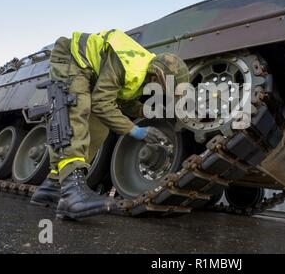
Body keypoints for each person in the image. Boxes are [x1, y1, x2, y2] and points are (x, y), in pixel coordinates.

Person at [30, 29, 189, 220]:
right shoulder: (131, 66)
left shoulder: (140, 76)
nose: (160, 90)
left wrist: (146, 112)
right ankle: (71, 195)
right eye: (163, 87)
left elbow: (122, 101)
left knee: (99, 128)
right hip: (72, 58)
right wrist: (136, 130)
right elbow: (101, 103)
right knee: (76, 109)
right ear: (157, 76)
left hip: (91, 73)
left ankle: (52, 187)